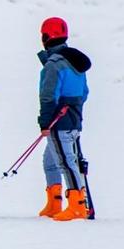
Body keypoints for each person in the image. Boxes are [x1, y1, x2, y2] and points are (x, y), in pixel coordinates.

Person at [36, 17, 91, 221]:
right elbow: (84, 92)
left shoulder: (54, 63)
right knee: (50, 161)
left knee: (65, 161)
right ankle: (54, 202)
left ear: (46, 37)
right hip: (74, 118)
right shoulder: (74, 62)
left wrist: (45, 122)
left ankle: (77, 204)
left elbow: (48, 95)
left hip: (59, 121)